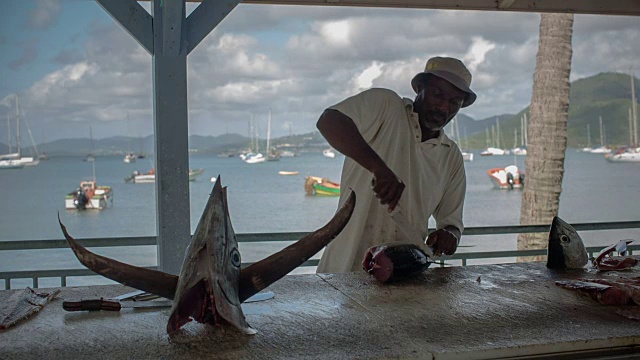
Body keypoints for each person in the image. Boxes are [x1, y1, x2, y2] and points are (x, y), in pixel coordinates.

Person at [315, 56, 477, 273]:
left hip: (401, 277)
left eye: (454, 102)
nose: (444, 107)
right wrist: (378, 168)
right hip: (342, 269)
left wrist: (449, 235)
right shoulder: (386, 105)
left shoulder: (451, 156)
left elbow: (451, 222)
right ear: (420, 87)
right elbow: (329, 121)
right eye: (438, 95)